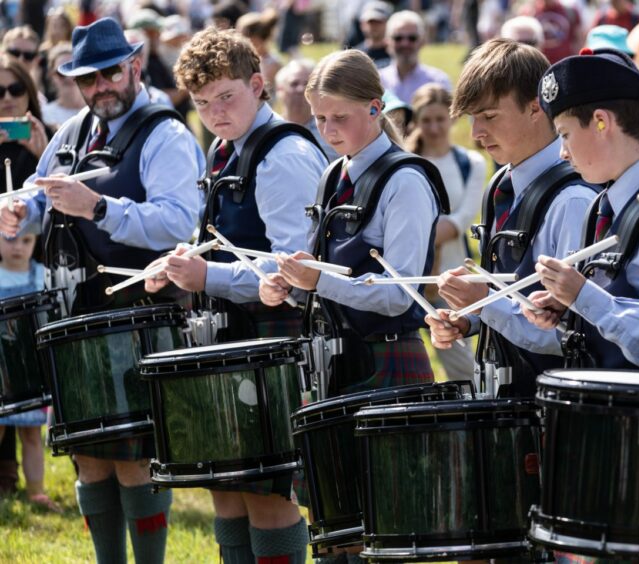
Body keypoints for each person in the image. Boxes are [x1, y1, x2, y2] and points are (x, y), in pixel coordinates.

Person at [0, 18, 203, 564]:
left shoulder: (166, 133)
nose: (100, 88)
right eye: (87, 80)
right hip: (72, 315)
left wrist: (96, 207)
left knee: (136, 459)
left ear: (134, 66)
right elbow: (39, 192)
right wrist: (22, 207)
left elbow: (178, 222)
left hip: (141, 315)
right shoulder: (70, 133)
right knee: (88, 458)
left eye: (110, 73)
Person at [146, 27, 327, 563]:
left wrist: (209, 279)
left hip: (273, 341)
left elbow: (293, 268)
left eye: (226, 97)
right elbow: (224, 243)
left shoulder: (284, 154)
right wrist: (178, 265)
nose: (215, 113)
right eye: (202, 103)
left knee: (266, 494)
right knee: (225, 489)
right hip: (231, 341)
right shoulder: (225, 150)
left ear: (257, 83)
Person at [260, 49, 445, 395]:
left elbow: (401, 292)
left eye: (339, 117)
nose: (328, 130)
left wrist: (319, 280)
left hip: (387, 357)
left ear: (375, 108)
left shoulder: (405, 180)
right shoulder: (333, 174)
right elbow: (322, 271)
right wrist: (289, 284)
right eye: (319, 118)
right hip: (333, 361)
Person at [521, 48, 639, 378]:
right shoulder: (601, 205)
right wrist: (569, 308)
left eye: (565, 135)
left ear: (600, 121)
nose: (563, 152)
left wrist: (584, 296)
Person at [425, 39, 597, 397]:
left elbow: (569, 333)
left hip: (551, 407)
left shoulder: (573, 200)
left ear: (536, 108)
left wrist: (484, 302)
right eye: (472, 118)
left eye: (488, 116)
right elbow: (506, 295)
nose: (475, 133)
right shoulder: (501, 184)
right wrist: (468, 317)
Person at [406, 82, 486, 380]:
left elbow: (464, 218)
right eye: (426, 120)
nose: (434, 128)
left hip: (452, 278)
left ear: (451, 119)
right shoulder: (407, 162)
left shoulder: (470, 163)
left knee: (461, 366)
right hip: (409, 277)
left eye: (440, 119)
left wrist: (426, 235)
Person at [0, 228, 57, 512]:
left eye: (26, 240)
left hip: (29, 369)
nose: (18, 247)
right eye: (10, 238)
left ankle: (37, 492)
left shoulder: (41, 275)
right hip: (0, 370)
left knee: (32, 435)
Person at [0, 54, 50, 190]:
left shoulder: (55, 136)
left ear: (29, 91)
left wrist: (45, 157)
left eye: (16, 89)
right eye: (0, 92)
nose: (7, 97)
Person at [379, 10, 452, 104]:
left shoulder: (438, 81)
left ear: (422, 41)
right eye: (398, 38)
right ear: (387, 41)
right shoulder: (378, 81)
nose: (405, 43)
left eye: (412, 38)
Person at [275, 59, 340, 160]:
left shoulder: (331, 131)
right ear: (280, 90)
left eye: (306, 84)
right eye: (294, 84)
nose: (301, 89)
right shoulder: (270, 130)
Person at [41, 43, 86, 128]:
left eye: (74, 70)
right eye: (61, 73)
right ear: (52, 75)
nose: (69, 78)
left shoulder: (96, 110)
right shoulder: (44, 114)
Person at [236, 10, 283, 90]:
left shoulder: (272, 65)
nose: (237, 40)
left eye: (242, 36)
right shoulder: (243, 60)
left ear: (256, 38)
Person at [354, 1, 393, 69]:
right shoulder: (356, 55)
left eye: (378, 22)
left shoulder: (397, 51)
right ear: (362, 25)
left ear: (387, 23)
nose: (374, 26)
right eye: (371, 22)